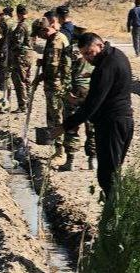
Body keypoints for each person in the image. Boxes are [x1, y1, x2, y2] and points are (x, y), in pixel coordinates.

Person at [54, 32, 133, 199]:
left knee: (108, 176)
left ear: (100, 45)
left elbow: (93, 104)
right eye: (83, 54)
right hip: (121, 120)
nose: (87, 58)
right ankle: (114, 213)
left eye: (89, 52)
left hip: (112, 123)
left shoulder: (105, 68)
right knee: (111, 171)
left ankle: (115, 217)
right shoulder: (116, 55)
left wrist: (65, 125)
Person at [33, 17, 73, 163]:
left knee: (56, 117)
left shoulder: (56, 41)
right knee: (53, 115)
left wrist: (41, 76)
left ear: (44, 29)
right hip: (53, 84)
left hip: (56, 85)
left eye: (39, 34)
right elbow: (51, 62)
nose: (39, 37)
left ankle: (60, 152)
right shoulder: (53, 38)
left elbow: (53, 67)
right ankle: (57, 149)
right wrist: (43, 62)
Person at [64, 28, 97, 171]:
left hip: (74, 91)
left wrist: (65, 91)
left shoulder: (70, 50)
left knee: (71, 125)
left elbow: (64, 71)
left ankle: (70, 160)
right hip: (90, 91)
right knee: (91, 126)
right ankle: (92, 159)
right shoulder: (93, 51)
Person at [8, 5, 34, 113]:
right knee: (27, 79)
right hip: (29, 55)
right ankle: (28, 102)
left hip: (21, 56)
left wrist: (11, 48)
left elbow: (17, 43)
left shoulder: (21, 26)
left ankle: (23, 105)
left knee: (19, 81)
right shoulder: (30, 25)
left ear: (18, 14)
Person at [0, 6, 16, 106]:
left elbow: (1, 39)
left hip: (6, 49)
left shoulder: (5, 23)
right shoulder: (14, 22)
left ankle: (6, 95)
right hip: (14, 50)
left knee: (6, 71)